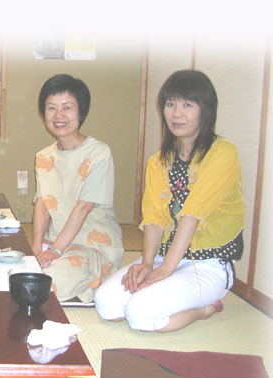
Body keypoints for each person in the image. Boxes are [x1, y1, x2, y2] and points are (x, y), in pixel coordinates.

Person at [94, 70, 245, 332]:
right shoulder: (158, 161)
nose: (176, 113)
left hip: (207, 264)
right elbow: (154, 218)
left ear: (206, 109)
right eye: (170, 104)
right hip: (165, 256)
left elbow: (192, 215)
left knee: (140, 314)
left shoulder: (222, 152)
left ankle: (205, 309)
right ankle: (164, 283)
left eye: (187, 105)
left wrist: (165, 270)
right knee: (106, 304)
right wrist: (147, 264)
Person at [31, 74, 123, 304]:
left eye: (67, 107)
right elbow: (42, 204)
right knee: (18, 273)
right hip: (56, 243)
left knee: (44, 283)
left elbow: (83, 208)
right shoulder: (43, 156)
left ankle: (95, 282)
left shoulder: (98, 153)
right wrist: (35, 247)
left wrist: (56, 251)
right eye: (51, 108)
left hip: (93, 246)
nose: (58, 115)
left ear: (81, 112)